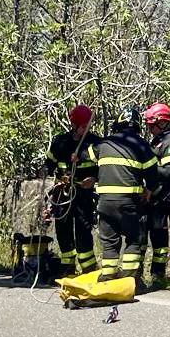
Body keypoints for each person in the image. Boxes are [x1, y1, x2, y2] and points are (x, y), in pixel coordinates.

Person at [94, 106, 158, 289]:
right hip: (129, 203)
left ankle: (107, 278)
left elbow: (86, 156)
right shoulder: (141, 145)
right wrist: (150, 189)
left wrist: (77, 157)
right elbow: (153, 174)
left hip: (105, 202)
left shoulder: (103, 144)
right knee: (134, 239)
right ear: (138, 126)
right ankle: (129, 281)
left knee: (109, 242)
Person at [45, 104, 98, 278]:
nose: (86, 129)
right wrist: (46, 172)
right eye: (83, 126)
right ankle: (67, 268)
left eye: (88, 126)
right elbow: (49, 165)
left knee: (83, 230)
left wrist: (94, 179)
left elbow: (103, 167)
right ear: (74, 125)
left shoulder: (95, 143)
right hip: (63, 194)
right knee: (63, 230)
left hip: (83, 194)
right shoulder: (61, 142)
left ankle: (88, 269)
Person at [142, 102, 170, 289]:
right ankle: (136, 274)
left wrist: (145, 168)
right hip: (147, 197)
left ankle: (158, 275)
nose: (149, 128)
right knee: (141, 237)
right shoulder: (157, 140)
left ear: (163, 123)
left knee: (159, 239)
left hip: (160, 198)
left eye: (152, 125)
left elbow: (168, 172)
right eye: (148, 125)